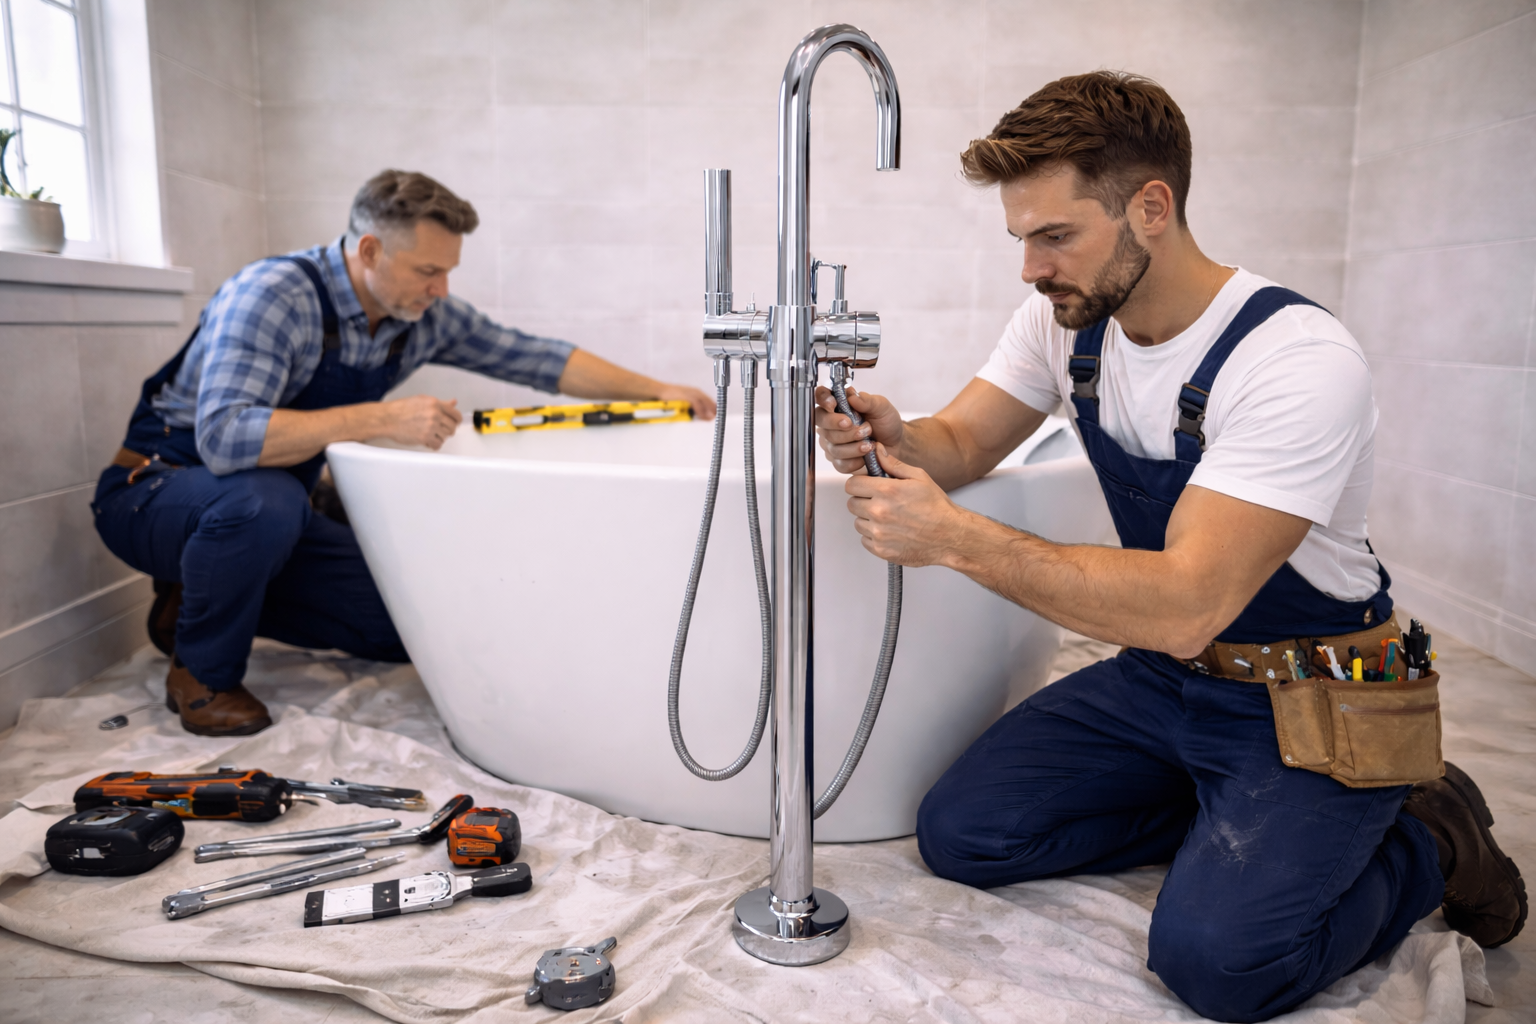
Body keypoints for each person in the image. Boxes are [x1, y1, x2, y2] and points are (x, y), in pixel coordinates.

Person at [814, 73, 1525, 1022]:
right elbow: (963, 444)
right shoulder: (1064, 323)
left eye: (1055, 235)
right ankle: (1236, 820)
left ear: (1151, 208)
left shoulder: (1295, 361)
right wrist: (897, 436)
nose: (1031, 267)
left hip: (1313, 692)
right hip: (1168, 678)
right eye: (1023, 238)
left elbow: (1192, 595)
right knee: (965, 834)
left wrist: (952, 540)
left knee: (1221, 965)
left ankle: (1429, 836)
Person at [93, 170, 714, 738]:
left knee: (408, 619)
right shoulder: (273, 294)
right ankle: (203, 674)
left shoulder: (417, 313)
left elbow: (536, 357)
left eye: (448, 271)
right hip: (156, 492)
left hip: (262, 512)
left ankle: (193, 594)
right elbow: (226, 438)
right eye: (427, 271)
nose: (441, 289)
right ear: (370, 251)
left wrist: (656, 389)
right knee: (266, 498)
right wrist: (383, 418)